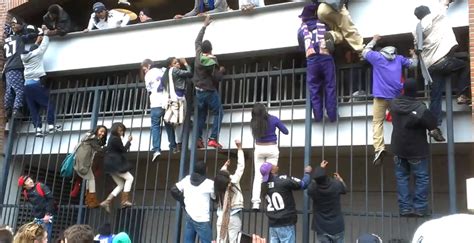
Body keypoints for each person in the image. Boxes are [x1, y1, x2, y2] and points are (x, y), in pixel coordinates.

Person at [361, 34, 425, 166]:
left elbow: (365, 51)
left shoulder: (377, 57)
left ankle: (379, 149)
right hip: (396, 97)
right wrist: (413, 54)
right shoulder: (399, 59)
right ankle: (401, 145)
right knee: (399, 122)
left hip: (380, 97)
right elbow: (414, 64)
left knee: (377, 122)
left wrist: (374, 40)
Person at [413, 0, 466, 131]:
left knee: (435, 97)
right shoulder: (435, 16)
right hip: (443, 62)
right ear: (427, 12)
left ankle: (434, 127)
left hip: (431, 66)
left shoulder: (416, 30)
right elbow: (444, 2)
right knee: (464, 66)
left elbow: (416, 48)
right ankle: (462, 94)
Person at [389, 78, 439, 217]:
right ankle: (420, 208)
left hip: (399, 148)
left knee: (402, 178)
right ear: (416, 91)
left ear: (403, 89)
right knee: (421, 178)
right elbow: (432, 123)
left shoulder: (393, 104)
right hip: (417, 150)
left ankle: (405, 208)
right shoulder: (420, 107)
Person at [298, 3, 337, 123]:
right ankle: (331, 115)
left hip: (311, 61)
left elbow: (301, 47)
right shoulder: (324, 25)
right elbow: (332, 41)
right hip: (326, 59)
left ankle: (318, 116)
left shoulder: (301, 30)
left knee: (314, 89)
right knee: (330, 86)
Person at [190, 15, 225, 149]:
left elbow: (197, 40)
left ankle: (198, 139)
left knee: (201, 115)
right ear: (210, 50)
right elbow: (217, 78)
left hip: (198, 91)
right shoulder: (211, 61)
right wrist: (221, 69)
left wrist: (204, 26)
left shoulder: (198, 53)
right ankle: (213, 138)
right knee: (219, 112)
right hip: (209, 91)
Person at [20, 27, 62, 137]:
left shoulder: (24, 58)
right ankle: (51, 126)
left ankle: (38, 129)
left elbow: (33, 49)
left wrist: (36, 42)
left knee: (34, 108)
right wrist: (46, 34)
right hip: (36, 84)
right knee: (48, 104)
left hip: (27, 86)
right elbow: (44, 46)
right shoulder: (37, 54)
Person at [260, 162, 312, 243]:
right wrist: (307, 173)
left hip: (273, 224)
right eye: (272, 165)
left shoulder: (263, 186)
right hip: (285, 222)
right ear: (272, 171)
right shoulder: (282, 180)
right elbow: (303, 184)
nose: (275, 165)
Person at [250, 103, 288, 210]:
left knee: (258, 176)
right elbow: (286, 131)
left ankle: (255, 203)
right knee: (270, 175)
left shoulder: (254, 122)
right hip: (271, 148)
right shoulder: (273, 119)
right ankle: (270, 200)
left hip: (259, 149)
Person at [171, 161, 215, 243]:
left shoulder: (187, 179)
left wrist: (183, 200)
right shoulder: (209, 183)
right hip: (202, 219)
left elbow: (174, 190)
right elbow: (214, 197)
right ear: (205, 170)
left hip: (190, 216)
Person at [141, 59, 176, 161]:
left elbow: (148, 89)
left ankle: (156, 149)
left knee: (155, 126)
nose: (145, 71)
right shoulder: (164, 70)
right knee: (169, 124)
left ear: (148, 66)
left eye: (144, 69)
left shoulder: (148, 74)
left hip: (156, 103)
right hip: (167, 102)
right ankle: (173, 146)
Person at [3, 17, 38, 120]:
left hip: (8, 68)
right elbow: (32, 35)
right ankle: (16, 110)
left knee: (9, 90)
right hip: (16, 66)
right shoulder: (19, 38)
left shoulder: (5, 42)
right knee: (20, 89)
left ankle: (7, 109)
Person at [308, 160, 347, 243]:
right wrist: (340, 179)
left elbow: (312, 184)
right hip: (337, 226)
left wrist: (320, 169)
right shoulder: (335, 185)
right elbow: (344, 189)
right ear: (326, 176)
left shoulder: (313, 189)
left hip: (321, 228)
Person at [161, 57, 194, 154]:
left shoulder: (167, 74)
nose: (178, 64)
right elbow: (189, 73)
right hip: (179, 99)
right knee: (180, 122)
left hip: (172, 99)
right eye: (175, 63)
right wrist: (186, 64)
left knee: (176, 121)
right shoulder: (175, 70)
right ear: (170, 65)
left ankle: (175, 144)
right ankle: (179, 143)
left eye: (178, 62)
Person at [214, 140, 245, 243]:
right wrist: (240, 149)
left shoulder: (218, 185)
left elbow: (220, 177)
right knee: (234, 241)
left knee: (220, 240)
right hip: (233, 216)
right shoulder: (233, 181)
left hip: (221, 218)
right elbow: (240, 167)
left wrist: (225, 166)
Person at [101, 122, 134, 213]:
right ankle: (124, 201)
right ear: (115, 129)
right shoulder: (115, 139)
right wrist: (129, 142)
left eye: (122, 130)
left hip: (110, 164)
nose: (121, 131)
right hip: (115, 163)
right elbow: (123, 150)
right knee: (130, 178)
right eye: (119, 130)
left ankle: (107, 201)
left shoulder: (112, 138)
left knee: (120, 184)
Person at [74, 125, 108, 208]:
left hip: (82, 162)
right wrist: (109, 147)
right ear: (97, 130)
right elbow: (99, 149)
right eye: (101, 131)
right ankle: (91, 200)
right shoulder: (92, 138)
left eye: (104, 132)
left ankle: (88, 200)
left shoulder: (89, 136)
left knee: (90, 179)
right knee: (91, 179)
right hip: (83, 163)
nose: (102, 133)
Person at [17, 176, 55, 242]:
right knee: (35, 236)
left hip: (46, 216)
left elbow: (50, 199)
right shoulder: (26, 193)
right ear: (24, 186)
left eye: (30, 179)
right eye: (27, 181)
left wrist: (47, 214)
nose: (31, 181)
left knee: (45, 236)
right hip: (37, 217)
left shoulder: (40, 186)